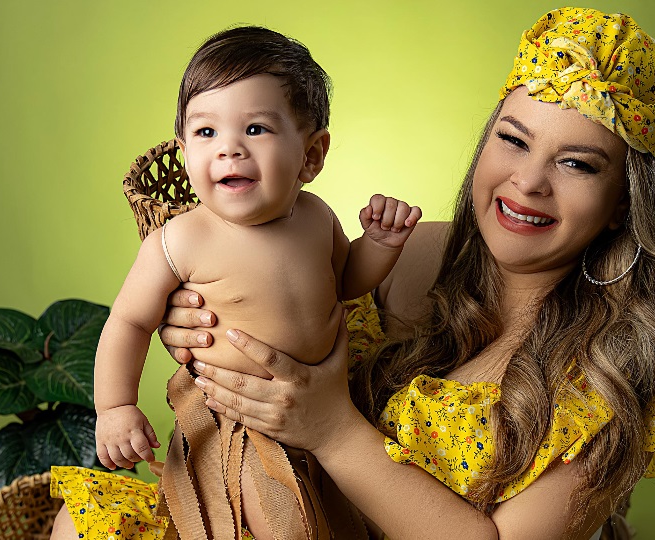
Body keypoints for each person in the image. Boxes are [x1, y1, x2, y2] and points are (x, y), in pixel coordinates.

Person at [52, 7, 655, 540]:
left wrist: (332, 430)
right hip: (260, 494)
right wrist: (198, 327)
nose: (528, 181)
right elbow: (273, 295)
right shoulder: (422, 256)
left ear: (620, 206)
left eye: (577, 164)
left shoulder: (624, 366)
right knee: (85, 520)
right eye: (512, 140)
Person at [50, 26, 420, 540]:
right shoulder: (181, 240)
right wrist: (115, 407)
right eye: (206, 133)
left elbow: (344, 282)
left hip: (329, 404)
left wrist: (379, 245)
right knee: (281, 524)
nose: (229, 150)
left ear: (311, 155)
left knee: (348, 518)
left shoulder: (316, 216)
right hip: (242, 423)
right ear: (183, 151)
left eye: (255, 130)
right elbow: (130, 320)